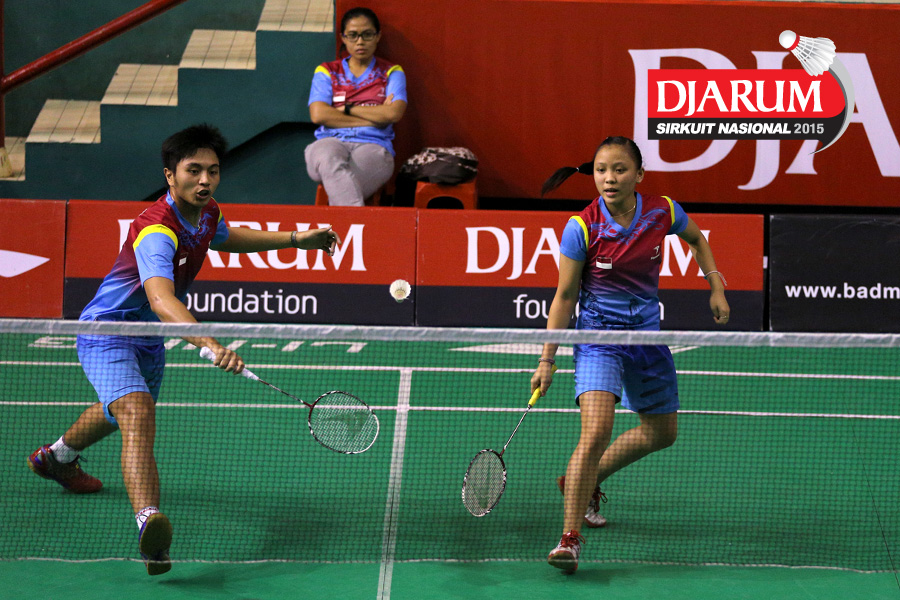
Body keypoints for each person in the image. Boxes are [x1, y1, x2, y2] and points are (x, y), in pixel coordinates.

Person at [26, 124, 341, 576]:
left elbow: (227, 237)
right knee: (136, 411)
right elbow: (161, 298)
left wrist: (295, 239)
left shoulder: (207, 211)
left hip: (149, 336)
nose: (205, 180)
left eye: (213, 170)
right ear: (170, 175)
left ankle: (56, 458)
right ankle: (149, 525)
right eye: (193, 170)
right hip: (108, 330)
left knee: (122, 409)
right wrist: (209, 343)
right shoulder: (157, 230)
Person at [531, 136, 729, 574]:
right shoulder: (582, 227)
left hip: (646, 339)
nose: (609, 178)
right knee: (596, 431)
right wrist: (547, 359)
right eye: (601, 170)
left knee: (662, 433)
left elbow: (697, 239)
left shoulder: (662, 211)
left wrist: (715, 284)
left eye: (619, 170)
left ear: (639, 174)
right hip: (598, 340)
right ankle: (569, 539)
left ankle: (583, 481)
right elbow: (564, 296)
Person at [304, 7, 408, 206]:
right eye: (353, 35)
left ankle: (344, 222)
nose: (360, 41)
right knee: (327, 157)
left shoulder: (392, 72)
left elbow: (394, 113)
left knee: (339, 182)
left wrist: (347, 109)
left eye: (367, 34)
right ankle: (353, 223)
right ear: (343, 38)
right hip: (330, 141)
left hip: (373, 145)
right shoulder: (327, 71)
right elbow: (318, 115)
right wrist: (376, 117)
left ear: (378, 36)